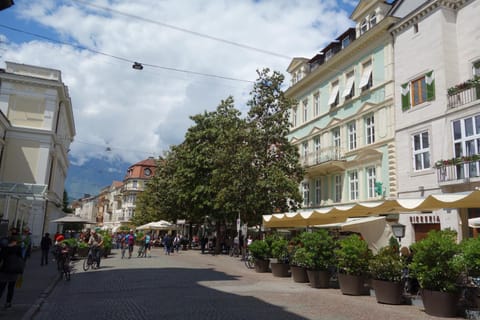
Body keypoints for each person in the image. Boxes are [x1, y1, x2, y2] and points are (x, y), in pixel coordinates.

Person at [0, 232, 25, 309]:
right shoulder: (18, 249)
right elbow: (21, 259)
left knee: (1, 287)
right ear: (15, 241)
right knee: (11, 288)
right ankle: (8, 302)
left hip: (5, 270)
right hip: (14, 271)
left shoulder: (4, 249)